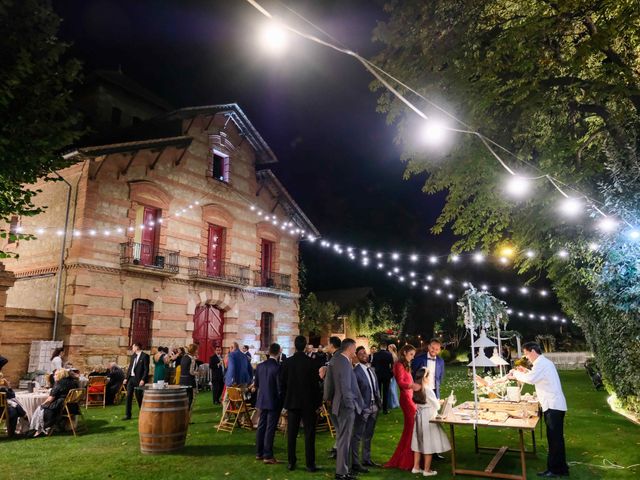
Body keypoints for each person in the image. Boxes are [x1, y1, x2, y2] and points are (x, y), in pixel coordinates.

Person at [508, 342, 569, 478]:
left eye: (526, 354)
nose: (526, 357)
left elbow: (532, 379)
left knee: (555, 440)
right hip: (553, 405)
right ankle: (560, 467)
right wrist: (525, 371)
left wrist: (517, 374)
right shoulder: (542, 363)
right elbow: (536, 377)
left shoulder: (542, 363)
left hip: (553, 406)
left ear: (533, 351)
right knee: (556, 439)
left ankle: (555, 470)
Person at [280, 335, 322, 472]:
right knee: (309, 434)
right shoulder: (311, 363)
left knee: (291, 434)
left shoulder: (287, 362)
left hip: (293, 401)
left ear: (294, 345)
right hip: (308, 403)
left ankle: (291, 462)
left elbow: (283, 383)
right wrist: (317, 403)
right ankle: (310, 464)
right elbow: (315, 385)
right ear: (305, 346)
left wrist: (286, 399)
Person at [324, 338, 363, 480]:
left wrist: (327, 398)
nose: (356, 351)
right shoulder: (343, 362)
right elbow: (346, 386)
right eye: (355, 348)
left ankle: (344, 470)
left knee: (343, 439)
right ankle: (341, 472)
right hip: (345, 406)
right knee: (344, 440)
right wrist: (350, 404)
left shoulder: (336, 360)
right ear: (350, 348)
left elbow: (329, 384)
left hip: (338, 404)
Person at [385, 344, 421, 471]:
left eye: (413, 355)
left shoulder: (406, 365)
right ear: (405, 352)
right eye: (411, 354)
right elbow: (400, 382)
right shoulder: (399, 365)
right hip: (406, 398)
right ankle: (407, 461)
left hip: (410, 397)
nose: (412, 357)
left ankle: (410, 459)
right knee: (411, 428)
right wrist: (412, 386)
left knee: (411, 429)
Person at [411, 367, 451, 476]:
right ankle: (427, 470)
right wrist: (441, 402)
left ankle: (416, 467)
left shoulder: (415, 387)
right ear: (426, 377)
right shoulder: (427, 389)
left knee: (418, 441)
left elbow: (422, 401)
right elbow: (436, 406)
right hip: (428, 417)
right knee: (428, 442)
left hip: (419, 416)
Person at [351, 346, 382, 473]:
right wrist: (360, 407)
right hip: (363, 408)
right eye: (361, 353)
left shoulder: (371, 369)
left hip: (374, 407)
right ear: (357, 356)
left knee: (369, 435)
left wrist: (379, 403)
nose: (364, 354)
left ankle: (366, 459)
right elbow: (354, 392)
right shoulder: (355, 372)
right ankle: (355, 462)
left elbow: (376, 387)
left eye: (365, 352)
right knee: (358, 436)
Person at [254, 342, 282, 465]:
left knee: (261, 426)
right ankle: (267, 455)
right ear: (278, 352)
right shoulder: (277, 367)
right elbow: (279, 388)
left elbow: (257, 384)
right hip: (273, 400)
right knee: (270, 428)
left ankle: (259, 452)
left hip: (262, 399)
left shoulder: (260, 366)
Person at [31, 368, 79, 437]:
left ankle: (37, 428)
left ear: (60, 375)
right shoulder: (73, 382)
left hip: (62, 408)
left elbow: (50, 399)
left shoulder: (59, 384)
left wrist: (42, 404)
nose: (54, 376)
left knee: (41, 408)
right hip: (73, 406)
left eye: (56, 375)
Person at [320, 336, 342, 460]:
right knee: (337, 425)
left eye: (328, 344)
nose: (326, 346)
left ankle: (339, 448)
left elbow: (331, 382)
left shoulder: (336, 359)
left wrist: (326, 397)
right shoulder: (338, 357)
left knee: (338, 424)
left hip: (335, 397)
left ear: (332, 345)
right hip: (337, 396)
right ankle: (337, 446)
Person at [123, 342, 150, 420]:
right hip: (131, 379)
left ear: (137, 347)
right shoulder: (133, 356)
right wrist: (126, 378)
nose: (132, 348)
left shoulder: (145, 356)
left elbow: (146, 369)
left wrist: (143, 379)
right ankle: (128, 415)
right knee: (128, 396)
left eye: (133, 347)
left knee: (139, 397)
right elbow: (130, 368)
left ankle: (143, 413)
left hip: (139, 380)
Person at [371, 341, 394, 414]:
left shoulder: (376, 354)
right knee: (386, 392)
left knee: (378, 392)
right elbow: (392, 365)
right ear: (386, 347)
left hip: (378, 375)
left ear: (380, 346)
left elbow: (373, 365)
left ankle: (378, 408)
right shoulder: (389, 354)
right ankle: (385, 409)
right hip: (386, 375)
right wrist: (391, 374)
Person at [179, 344, 199, 409]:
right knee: (191, 397)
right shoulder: (192, 359)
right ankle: (187, 412)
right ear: (194, 351)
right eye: (196, 350)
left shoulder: (184, 357)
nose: (197, 351)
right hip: (189, 380)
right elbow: (191, 372)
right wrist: (198, 373)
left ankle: (183, 410)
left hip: (182, 380)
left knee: (184, 397)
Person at [387, 344, 400, 409]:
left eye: (389, 348)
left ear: (391, 348)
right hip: (393, 373)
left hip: (393, 374)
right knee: (391, 388)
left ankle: (395, 403)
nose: (388, 349)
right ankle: (391, 403)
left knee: (392, 388)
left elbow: (393, 365)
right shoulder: (393, 355)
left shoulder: (393, 355)